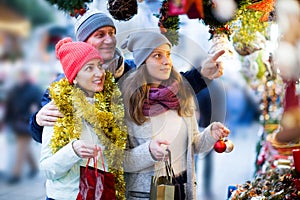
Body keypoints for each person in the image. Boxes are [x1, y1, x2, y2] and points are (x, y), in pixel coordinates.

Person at [29, 9, 226, 144]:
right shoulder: (64, 84)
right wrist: (37, 121)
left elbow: (170, 87)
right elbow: (42, 135)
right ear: (84, 42)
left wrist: (202, 75)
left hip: (126, 181)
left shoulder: (133, 71)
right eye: (100, 35)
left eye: (111, 32)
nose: (109, 40)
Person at [120, 30, 230, 199]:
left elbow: (194, 145)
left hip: (182, 190)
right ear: (142, 63)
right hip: (145, 194)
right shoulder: (127, 101)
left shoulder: (182, 94)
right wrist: (148, 151)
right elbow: (121, 160)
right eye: (157, 56)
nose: (166, 62)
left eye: (168, 54)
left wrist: (210, 134)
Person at [39, 37, 127, 200]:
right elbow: (46, 169)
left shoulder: (109, 108)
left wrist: (150, 151)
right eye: (89, 68)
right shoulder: (59, 109)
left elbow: (119, 160)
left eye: (99, 66)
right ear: (75, 77)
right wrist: (72, 150)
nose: (99, 73)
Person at [4, 67, 42, 184]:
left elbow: (40, 103)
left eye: (23, 75)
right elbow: (9, 105)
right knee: (25, 147)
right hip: (17, 123)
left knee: (21, 148)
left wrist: (34, 111)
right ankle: (34, 168)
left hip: (27, 122)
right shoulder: (14, 89)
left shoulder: (34, 89)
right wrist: (7, 120)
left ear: (27, 76)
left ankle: (16, 174)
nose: (21, 77)